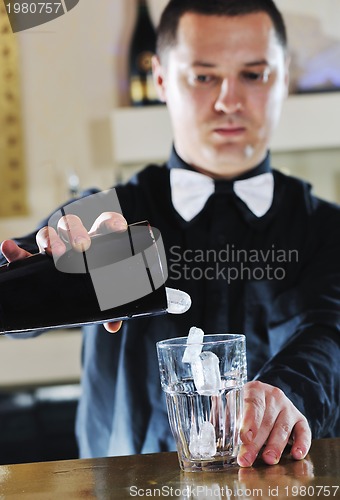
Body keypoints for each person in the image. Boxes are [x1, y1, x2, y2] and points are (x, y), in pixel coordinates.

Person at [1, 0, 340, 467]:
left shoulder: (327, 230)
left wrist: (284, 394)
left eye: (254, 74)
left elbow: (328, 336)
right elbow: (13, 296)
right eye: (203, 76)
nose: (228, 100)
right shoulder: (106, 217)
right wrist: (41, 278)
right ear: (160, 78)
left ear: (285, 77)